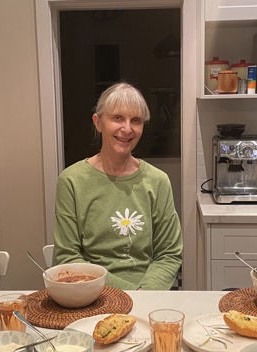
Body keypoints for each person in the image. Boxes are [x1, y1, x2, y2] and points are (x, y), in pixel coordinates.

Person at [53, 82, 182, 290]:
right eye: (117, 118)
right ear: (98, 122)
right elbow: (68, 258)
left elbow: (169, 253)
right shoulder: (71, 181)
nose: (127, 129)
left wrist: (144, 294)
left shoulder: (158, 181)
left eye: (136, 121)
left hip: (148, 295)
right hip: (92, 294)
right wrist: (127, 295)